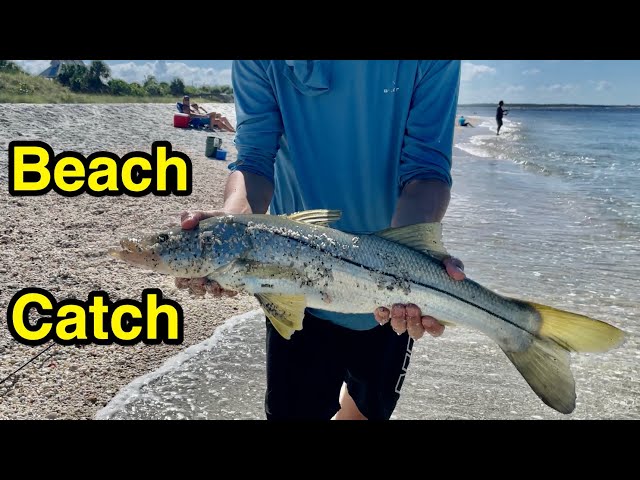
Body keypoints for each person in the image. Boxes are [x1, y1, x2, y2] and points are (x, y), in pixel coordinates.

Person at [175, 60, 466, 420]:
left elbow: (427, 168)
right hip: (292, 284)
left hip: (392, 292)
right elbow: (254, 157)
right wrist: (233, 226)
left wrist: (412, 256)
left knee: (367, 412)